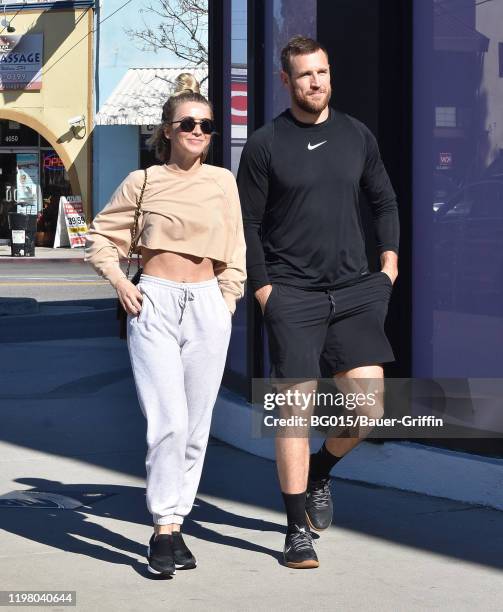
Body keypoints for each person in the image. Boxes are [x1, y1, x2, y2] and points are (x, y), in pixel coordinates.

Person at [238, 36, 399, 569]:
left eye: (323, 73)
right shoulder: (265, 144)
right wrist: (265, 291)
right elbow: (249, 224)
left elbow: (383, 199)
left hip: (355, 290)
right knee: (294, 412)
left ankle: (320, 472)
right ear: (286, 80)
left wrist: (389, 264)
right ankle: (293, 533)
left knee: (369, 406)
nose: (316, 83)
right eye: (305, 75)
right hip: (293, 294)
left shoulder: (356, 135)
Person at [85, 73, 246, 577]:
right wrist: (120, 283)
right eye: (189, 124)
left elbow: (237, 250)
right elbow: (100, 237)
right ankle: (161, 528)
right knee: (167, 421)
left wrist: (227, 302)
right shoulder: (144, 181)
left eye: (207, 125)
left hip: (207, 305)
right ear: (169, 131)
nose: (199, 131)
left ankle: (177, 520)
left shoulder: (222, 181)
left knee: (197, 427)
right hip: (153, 303)